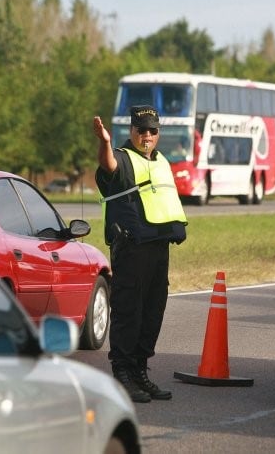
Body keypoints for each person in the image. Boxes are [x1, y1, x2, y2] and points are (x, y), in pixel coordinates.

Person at [93, 105, 187, 403]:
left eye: (152, 130)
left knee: (152, 310)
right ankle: (122, 372)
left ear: (158, 133)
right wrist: (105, 142)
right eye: (141, 130)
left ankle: (140, 370)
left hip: (159, 245)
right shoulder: (121, 157)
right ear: (131, 131)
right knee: (129, 309)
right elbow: (108, 166)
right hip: (131, 247)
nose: (147, 135)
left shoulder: (162, 162)